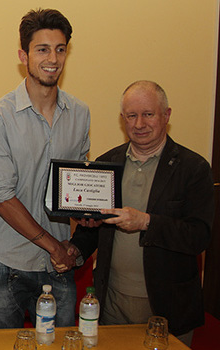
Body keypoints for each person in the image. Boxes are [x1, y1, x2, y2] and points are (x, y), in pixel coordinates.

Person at [68, 80, 213, 346]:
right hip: (112, 304)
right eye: (131, 116)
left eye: (148, 114)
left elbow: (199, 236)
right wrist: (75, 250)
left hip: (168, 309)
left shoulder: (193, 168)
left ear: (166, 115)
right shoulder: (106, 164)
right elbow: (95, 229)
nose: (139, 124)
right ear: (122, 119)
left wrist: (146, 222)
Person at [0, 8, 90, 329]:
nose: (52, 58)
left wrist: (86, 217)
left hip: (59, 264)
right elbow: (0, 196)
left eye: (60, 49)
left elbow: (75, 188)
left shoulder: (80, 113)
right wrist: (56, 246)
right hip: (5, 261)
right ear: (23, 56)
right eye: (42, 49)